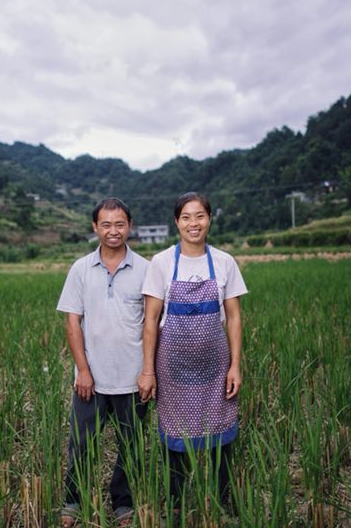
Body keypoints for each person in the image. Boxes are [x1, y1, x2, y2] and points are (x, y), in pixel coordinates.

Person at [138, 191, 247, 511]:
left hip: (216, 369)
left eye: (199, 216)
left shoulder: (225, 262)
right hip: (172, 370)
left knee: (220, 437)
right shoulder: (161, 262)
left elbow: (235, 317)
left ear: (209, 219)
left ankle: (224, 503)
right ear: (177, 223)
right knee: (176, 439)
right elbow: (151, 320)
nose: (193, 223)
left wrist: (235, 366)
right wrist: (148, 371)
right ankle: (176, 505)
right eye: (186, 217)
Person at [57, 197, 150, 527]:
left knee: (131, 447)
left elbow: (153, 324)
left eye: (120, 224)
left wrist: (148, 372)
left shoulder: (146, 269)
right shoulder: (81, 269)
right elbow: (72, 323)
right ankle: (73, 501)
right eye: (106, 224)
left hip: (133, 378)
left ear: (130, 226)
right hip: (91, 380)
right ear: (95, 227)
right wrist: (83, 370)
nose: (114, 230)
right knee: (81, 445)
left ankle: (123, 503)